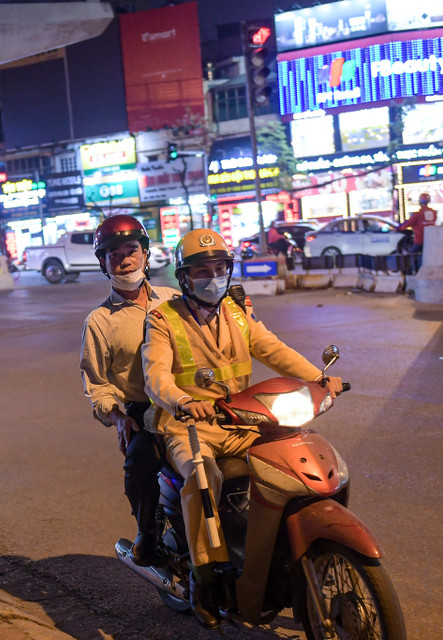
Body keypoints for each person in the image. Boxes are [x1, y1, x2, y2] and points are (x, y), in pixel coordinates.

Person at [141, 228, 343, 628]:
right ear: (184, 277)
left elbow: (273, 349)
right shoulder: (163, 319)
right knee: (203, 477)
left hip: (240, 420)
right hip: (188, 426)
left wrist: (318, 378)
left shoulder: (238, 312)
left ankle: (275, 549)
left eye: (220, 268)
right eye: (203, 271)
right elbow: (156, 376)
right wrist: (183, 401)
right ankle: (203, 579)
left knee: (289, 461)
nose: (213, 278)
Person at [80, 215, 179, 567]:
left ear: (145, 254)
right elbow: (97, 383)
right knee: (139, 464)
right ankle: (148, 532)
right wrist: (119, 418)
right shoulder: (100, 321)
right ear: (103, 263)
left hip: (190, 401)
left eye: (131, 250)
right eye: (114, 254)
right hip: (144, 410)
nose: (124, 259)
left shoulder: (174, 300)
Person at [398, 192, 438, 270]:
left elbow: (407, 224)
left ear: (420, 202)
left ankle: (410, 270)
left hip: (420, 239)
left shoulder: (417, 214)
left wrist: (400, 228)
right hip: (431, 240)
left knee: (410, 254)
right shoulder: (434, 212)